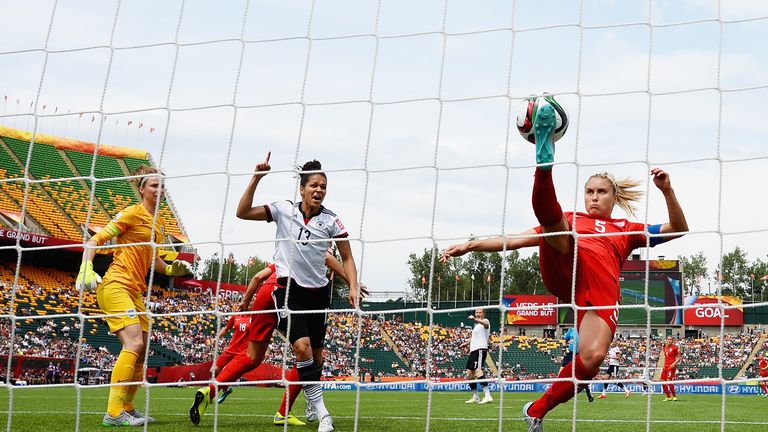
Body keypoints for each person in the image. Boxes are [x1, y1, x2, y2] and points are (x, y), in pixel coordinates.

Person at [440, 99, 688, 432]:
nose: (594, 197)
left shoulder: (625, 230)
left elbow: (679, 229)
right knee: (558, 228)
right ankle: (545, 162)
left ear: (614, 198)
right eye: (589, 192)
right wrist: (471, 245)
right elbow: (513, 240)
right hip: (562, 270)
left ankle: (536, 411)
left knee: (592, 358)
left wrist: (667, 190)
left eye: (601, 192)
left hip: (597, 295)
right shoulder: (572, 218)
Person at [192, 154, 361, 432]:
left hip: (318, 296)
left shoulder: (332, 222)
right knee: (301, 349)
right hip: (287, 292)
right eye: (314, 186)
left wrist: (353, 285)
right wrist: (257, 177)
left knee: (316, 360)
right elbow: (242, 212)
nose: (319, 190)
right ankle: (322, 414)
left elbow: (345, 257)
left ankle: (308, 404)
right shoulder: (283, 210)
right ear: (302, 189)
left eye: (323, 187)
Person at [76, 165, 192, 427]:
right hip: (116, 285)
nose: (159, 190)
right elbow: (94, 242)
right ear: (142, 189)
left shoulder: (160, 224)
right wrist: (86, 268)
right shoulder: (131, 213)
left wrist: (174, 268)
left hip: (135, 291)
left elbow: (156, 262)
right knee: (134, 344)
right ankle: (114, 413)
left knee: (142, 350)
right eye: (154, 185)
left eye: (162, 185)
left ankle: (127, 407)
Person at [461, 308, 493, 404]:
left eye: (480, 312)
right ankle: (475, 396)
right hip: (473, 350)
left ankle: (488, 396)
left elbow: (486, 325)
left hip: (480, 349)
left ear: (483, 313)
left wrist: (474, 318)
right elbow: (474, 337)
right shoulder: (477, 326)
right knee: (469, 373)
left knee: (478, 371)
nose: (478, 314)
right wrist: (466, 343)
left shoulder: (485, 321)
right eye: (476, 312)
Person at [560, 328, 593, 402]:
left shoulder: (586, 330)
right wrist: (564, 347)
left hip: (581, 354)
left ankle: (589, 393)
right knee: (561, 371)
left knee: (582, 375)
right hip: (571, 353)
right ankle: (557, 392)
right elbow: (564, 340)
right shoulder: (571, 330)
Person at [661, 336, 680, 401]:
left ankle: (674, 396)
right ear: (666, 340)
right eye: (668, 339)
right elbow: (666, 357)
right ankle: (668, 397)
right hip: (665, 366)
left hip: (671, 367)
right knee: (662, 381)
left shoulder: (675, 347)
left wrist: (674, 363)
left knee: (669, 381)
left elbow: (678, 358)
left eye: (670, 339)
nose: (669, 340)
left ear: (672, 340)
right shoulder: (665, 348)